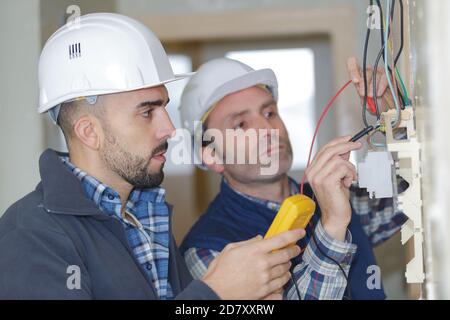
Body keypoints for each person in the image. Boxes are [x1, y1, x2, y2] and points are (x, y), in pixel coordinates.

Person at [0, 13, 304, 300]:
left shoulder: (145, 216)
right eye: (147, 112)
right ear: (89, 132)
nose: (169, 129)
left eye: (164, 107)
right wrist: (214, 293)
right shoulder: (30, 236)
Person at [179, 57, 408, 300]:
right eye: (240, 125)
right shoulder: (206, 250)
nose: (267, 129)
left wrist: (397, 119)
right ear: (212, 155)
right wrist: (331, 230)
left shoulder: (333, 193)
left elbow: (415, 189)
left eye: (269, 112)